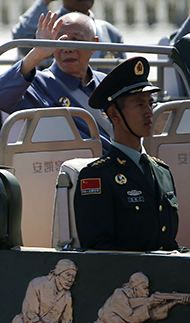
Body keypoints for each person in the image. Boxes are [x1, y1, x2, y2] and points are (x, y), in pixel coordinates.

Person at [74, 57, 180, 251]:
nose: (149, 112)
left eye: (150, 103)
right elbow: (99, 253)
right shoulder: (97, 176)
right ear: (115, 115)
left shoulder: (162, 171)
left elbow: (168, 244)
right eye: (140, 105)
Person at [0, 11, 113, 152]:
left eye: (76, 40)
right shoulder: (39, 84)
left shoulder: (106, 82)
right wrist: (38, 52)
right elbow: (0, 96)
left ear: (94, 45)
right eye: (60, 41)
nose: (68, 49)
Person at [81, 272, 187, 323]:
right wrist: (149, 303)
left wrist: (173, 302)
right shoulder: (119, 295)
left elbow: (153, 315)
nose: (147, 292)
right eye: (145, 288)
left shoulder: (136, 301)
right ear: (135, 288)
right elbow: (132, 318)